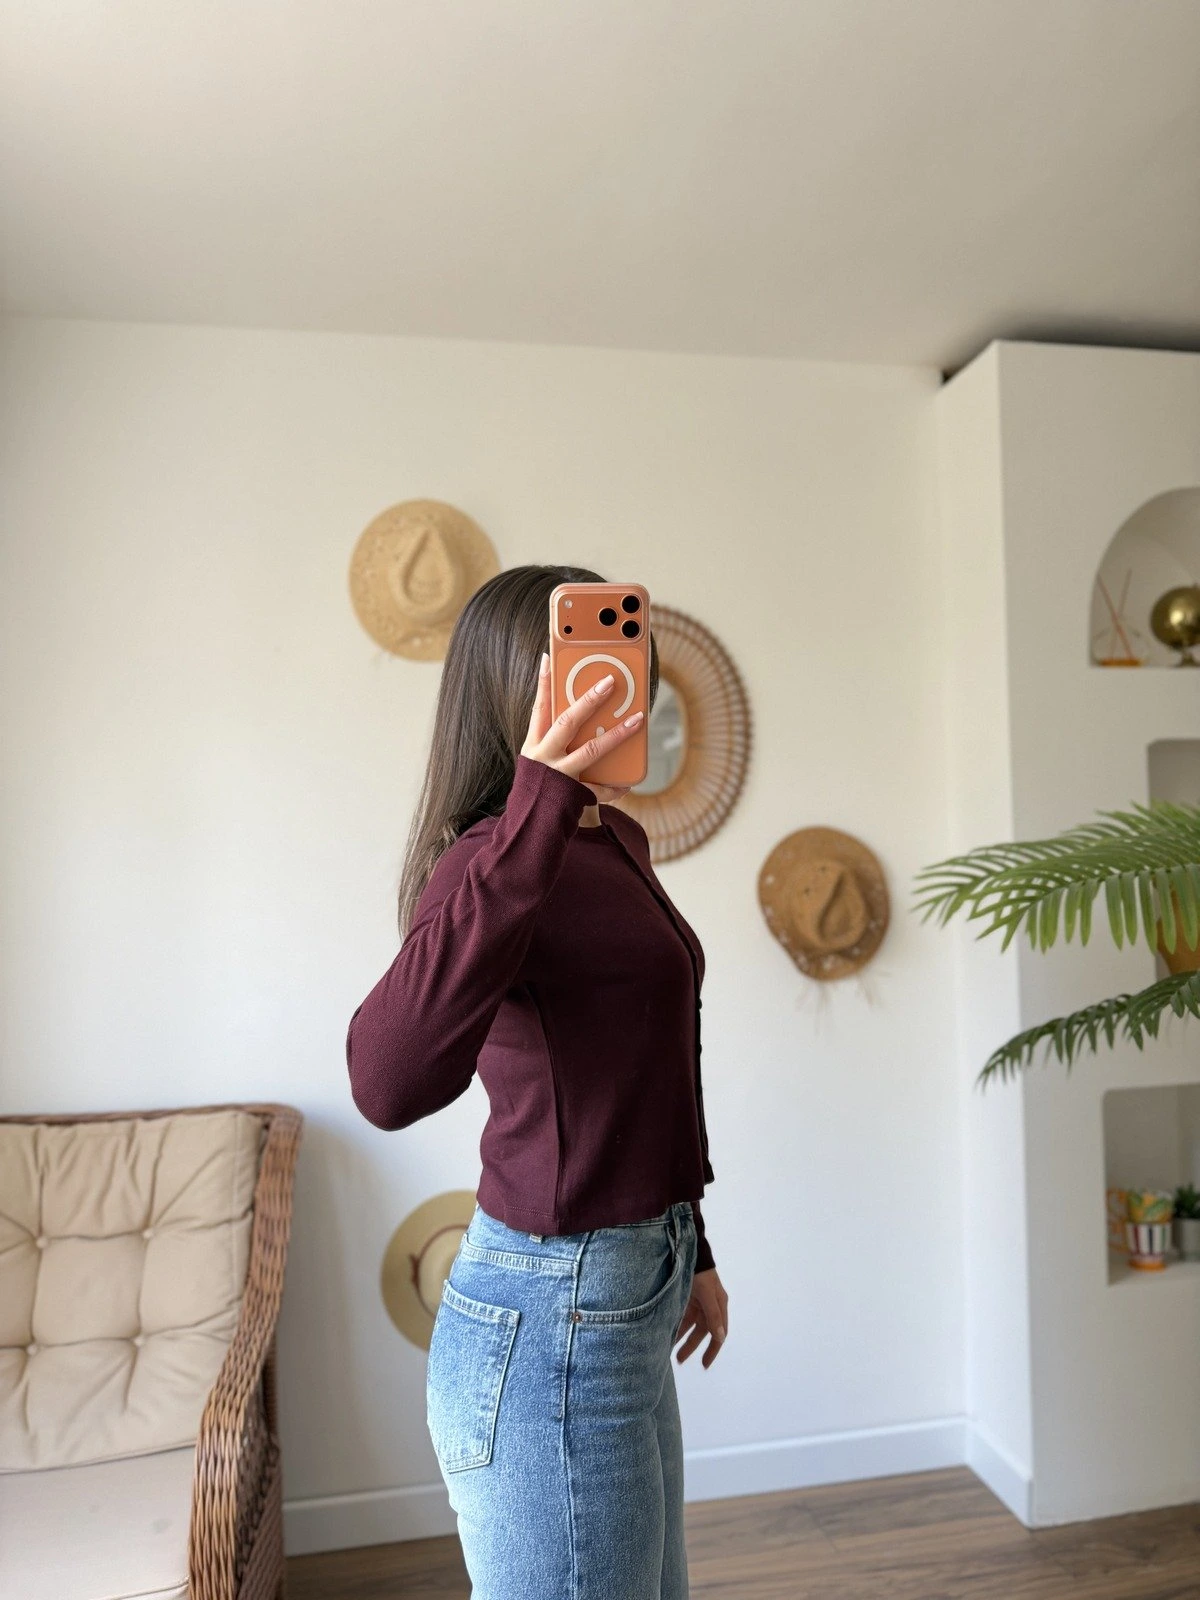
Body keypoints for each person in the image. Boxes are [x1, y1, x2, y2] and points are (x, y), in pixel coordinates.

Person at [346, 564, 729, 1600]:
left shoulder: (616, 839)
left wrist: (691, 1243)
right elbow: (385, 1081)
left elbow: (647, 1066)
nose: (622, 697)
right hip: (549, 1312)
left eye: (630, 670)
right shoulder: (487, 862)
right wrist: (540, 803)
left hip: (630, 1288)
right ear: (520, 694)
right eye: (588, 675)